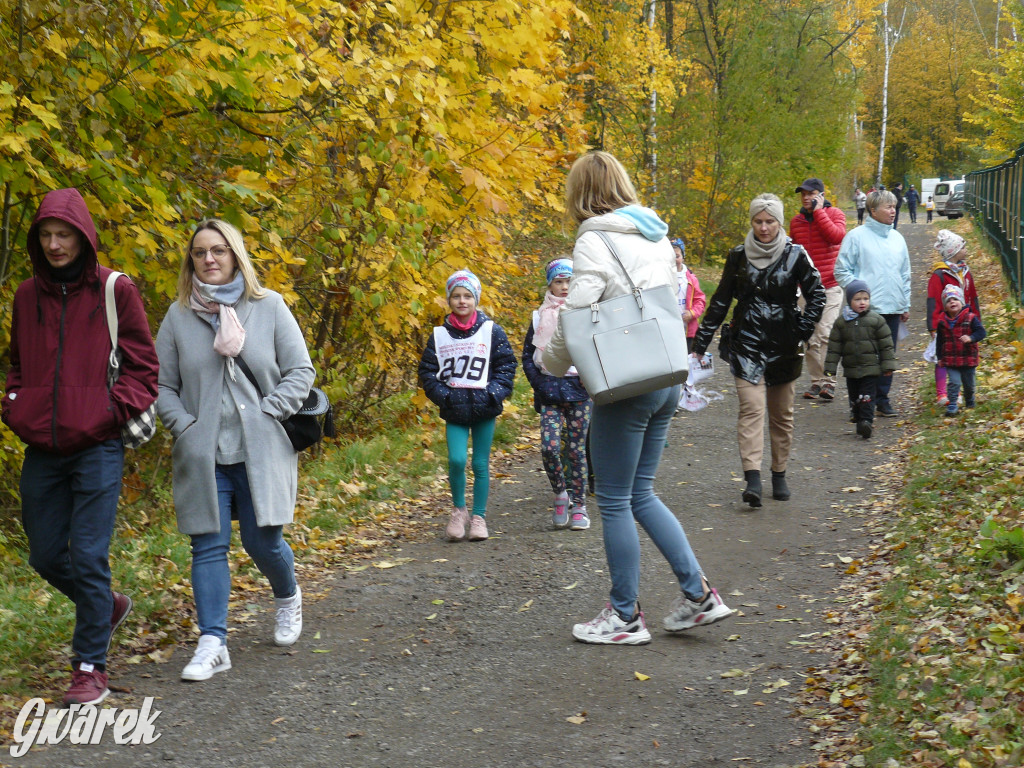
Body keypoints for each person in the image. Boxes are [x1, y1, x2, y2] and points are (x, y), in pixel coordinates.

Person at [543, 151, 732, 645]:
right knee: (641, 493)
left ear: (581, 193)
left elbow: (578, 309)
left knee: (613, 499)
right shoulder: (654, 233)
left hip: (626, 381)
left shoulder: (594, 239)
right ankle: (699, 596)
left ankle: (624, 615)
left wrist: (552, 362)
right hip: (667, 373)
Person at [1, 188, 159, 705]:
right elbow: (18, 363)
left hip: (97, 446)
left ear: (83, 236)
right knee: (47, 556)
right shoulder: (27, 295)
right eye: (45, 235)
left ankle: (89, 667)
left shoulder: (116, 291)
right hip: (42, 449)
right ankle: (107, 607)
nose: (53, 244)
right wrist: (15, 403)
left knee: (88, 556)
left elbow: (144, 370)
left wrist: (107, 414)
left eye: (63, 234)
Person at [155, 219, 315, 681]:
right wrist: (184, 427)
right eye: (201, 252)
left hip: (261, 448)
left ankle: (287, 597)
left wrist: (270, 412)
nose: (209, 259)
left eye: (219, 250)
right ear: (192, 261)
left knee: (262, 542)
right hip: (204, 453)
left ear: (235, 255)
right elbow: (163, 384)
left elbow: (300, 371)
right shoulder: (178, 316)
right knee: (208, 544)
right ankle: (213, 642)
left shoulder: (269, 307)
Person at [693, 194, 826, 508]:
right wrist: (701, 342)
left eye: (770, 221)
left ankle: (778, 473)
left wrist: (802, 329)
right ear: (751, 222)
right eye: (758, 221)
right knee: (752, 409)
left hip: (784, 343)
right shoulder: (738, 256)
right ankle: (752, 478)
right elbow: (721, 301)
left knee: (782, 415)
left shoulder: (796, 255)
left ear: (779, 222)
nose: (764, 228)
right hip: (747, 342)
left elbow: (817, 294)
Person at [418, 269, 517, 542]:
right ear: (448, 300)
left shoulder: (491, 330)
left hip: (485, 406)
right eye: (456, 296)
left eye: (468, 296)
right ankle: (459, 510)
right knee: (457, 460)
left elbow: (506, 364)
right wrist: (444, 396)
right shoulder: (439, 335)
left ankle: (479, 517)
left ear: (476, 299)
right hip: (455, 408)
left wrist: (494, 393)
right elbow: (427, 371)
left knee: (480, 464)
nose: (462, 301)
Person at [521, 258, 593, 531]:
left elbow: (597, 348)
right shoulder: (539, 316)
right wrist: (538, 382)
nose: (564, 287)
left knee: (576, 451)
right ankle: (560, 494)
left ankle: (580, 506)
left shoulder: (585, 312)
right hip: (549, 389)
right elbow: (528, 355)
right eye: (558, 281)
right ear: (550, 283)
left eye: (569, 281)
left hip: (579, 390)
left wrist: (590, 381)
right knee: (549, 448)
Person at [834, 189, 911, 417]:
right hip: (866, 310)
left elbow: (904, 273)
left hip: (893, 307)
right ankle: (859, 402)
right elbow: (841, 270)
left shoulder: (897, 238)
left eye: (894, 206)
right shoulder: (856, 236)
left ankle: (882, 399)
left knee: (887, 356)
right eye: (888, 207)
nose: (893, 211)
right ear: (873, 210)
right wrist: (858, 293)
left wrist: (904, 303)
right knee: (864, 357)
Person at [789, 178, 846, 401]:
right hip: (806, 289)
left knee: (825, 334)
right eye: (802, 193)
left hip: (830, 285)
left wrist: (820, 212)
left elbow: (836, 237)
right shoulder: (796, 222)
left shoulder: (836, 214)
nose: (805, 197)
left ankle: (829, 382)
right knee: (810, 337)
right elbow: (793, 254)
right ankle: (816, 382)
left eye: (810, 193)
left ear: (821, 195)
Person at [823, 280, 896, 440]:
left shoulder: (876, 320)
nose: (862, 302)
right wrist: (830, 368)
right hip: (851, 369)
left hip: (871, 368)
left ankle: (866, 422)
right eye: (857, 299)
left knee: (867, 397)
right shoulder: (842, 323)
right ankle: (858, 417)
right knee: (855, 397)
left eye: (865, 299)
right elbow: (834, 347)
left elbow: (886, 344)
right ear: (849, 301)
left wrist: (887, 365)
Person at [927, 230, 981, 407]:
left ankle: (958, 392)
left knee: (961, 357)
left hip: (965, 323)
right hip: (946, 323)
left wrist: (976, 320)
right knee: (943, 356)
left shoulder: (965, 272)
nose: (966, 250)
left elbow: (972, 297)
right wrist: (934, 325)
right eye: (962, 247)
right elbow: (934, 300)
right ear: (953, 251)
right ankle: (943, 393)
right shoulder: (940, 274)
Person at [936, 284, 986, 417]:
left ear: (962, 302)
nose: (952, 302)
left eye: (955, 299)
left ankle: (969, 399)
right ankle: (952, 404)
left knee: (969, 384)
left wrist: (971, 337)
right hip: (951, 359)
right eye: (948, 301)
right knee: (954, 382)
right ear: (945, 306)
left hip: (968, 358)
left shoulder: (970, 317)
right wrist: (939, 357)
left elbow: (981, 332)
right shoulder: (942, 322)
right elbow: (939, 341)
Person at [671, 237, 706, 352]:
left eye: (677, 256)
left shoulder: (690, 278)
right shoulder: (662, 277)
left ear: (683, 256)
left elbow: (700, 300)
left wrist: (692, 313)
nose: (674, 260)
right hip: (669, 329)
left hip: (688, 330)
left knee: (688, 360)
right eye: (669, 257)